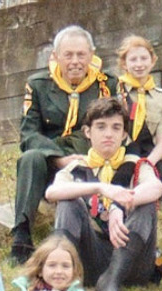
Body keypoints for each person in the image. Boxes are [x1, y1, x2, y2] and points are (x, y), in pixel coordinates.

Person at [44, 97, 162, 291]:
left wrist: (119, 204)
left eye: (116, 128)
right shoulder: (76, 167)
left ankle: (110, 282)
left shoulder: (136, 164)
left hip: (133, 261)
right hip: (91, 258)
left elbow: (156, 187)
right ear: (87, 132)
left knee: (146, 204)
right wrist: (100, 188)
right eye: (101, 127)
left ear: (124, 134)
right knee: (68, 201)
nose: (108, 134)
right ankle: (61, 281)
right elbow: (52, 192)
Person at [13, 24, 114, 262]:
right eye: (68, 55)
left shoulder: (106, 85)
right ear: (56, 56)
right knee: (30, 158)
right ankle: (21, 237)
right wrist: (59, 158)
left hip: (88, 160)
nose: (75, 61)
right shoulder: (38, 85)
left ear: (92, 54)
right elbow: (28, 134)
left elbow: (112, 128)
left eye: (81, 54)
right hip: (49, 162)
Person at [113, 34, 162, 232]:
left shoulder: (161, 97)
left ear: (153, 60)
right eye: (133, 59)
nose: (139, 64)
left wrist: (148, 163)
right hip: (122, 150)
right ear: (124, 64)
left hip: (148, 152)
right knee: (124, 178)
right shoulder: (116, 91)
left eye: (143, 58)